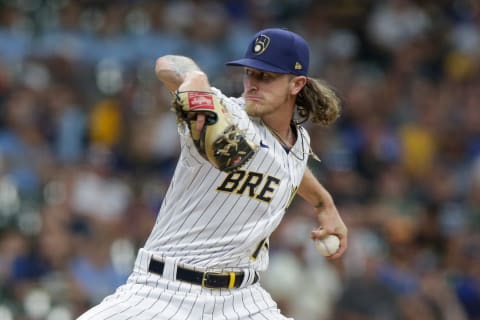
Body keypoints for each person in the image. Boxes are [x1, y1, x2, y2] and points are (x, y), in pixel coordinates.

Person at [77, 27, 347, 320]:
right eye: (250, 73)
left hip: (243, 300)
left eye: (266, 77)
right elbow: (166, 65)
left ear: (296, 84)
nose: (253, 84)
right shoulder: (223, 112)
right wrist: (194, 78)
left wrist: (324, 204)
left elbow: (286, 166)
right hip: (164, 291)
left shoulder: (299, 143)